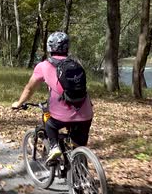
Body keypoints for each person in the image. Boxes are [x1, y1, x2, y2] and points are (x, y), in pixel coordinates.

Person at [12, 32, 93, 163]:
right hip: (86, 113)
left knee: (50, 124)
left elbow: (29, 88)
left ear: (50, 47)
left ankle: (54, 147)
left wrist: (19, 102)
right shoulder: (77, 63)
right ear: (67, 47)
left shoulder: (43, 66)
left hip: (62, 115)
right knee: (79, 145)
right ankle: (81, 174)